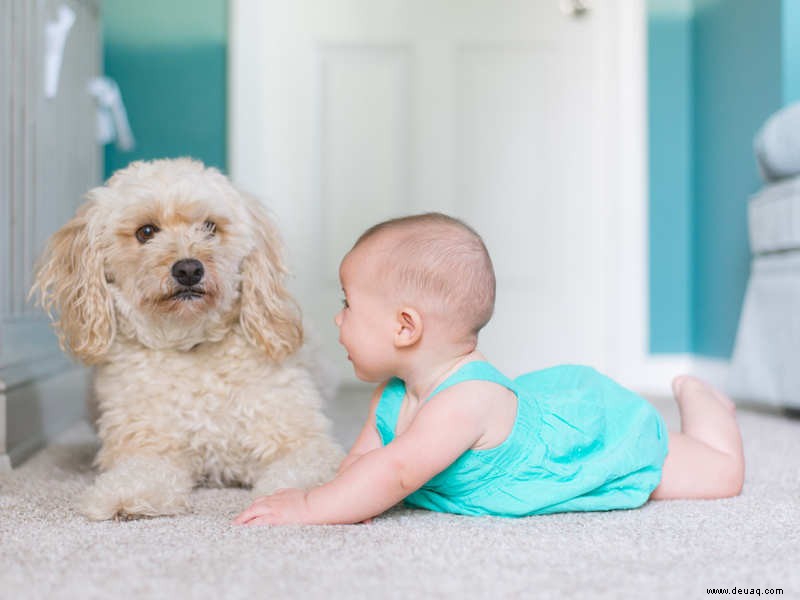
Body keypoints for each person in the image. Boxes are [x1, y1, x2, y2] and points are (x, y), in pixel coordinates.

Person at [234, 213, 745, 525]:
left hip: (583, 439)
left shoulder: (463, 402)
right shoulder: (391, 395)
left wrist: (307, 507)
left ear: (405, 327)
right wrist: (343, 500)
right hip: (529, 411)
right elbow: (364, 466)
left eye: (349, 305)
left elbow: (395, 471)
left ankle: (704, 402)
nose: (337, 318)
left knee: (720, 475)